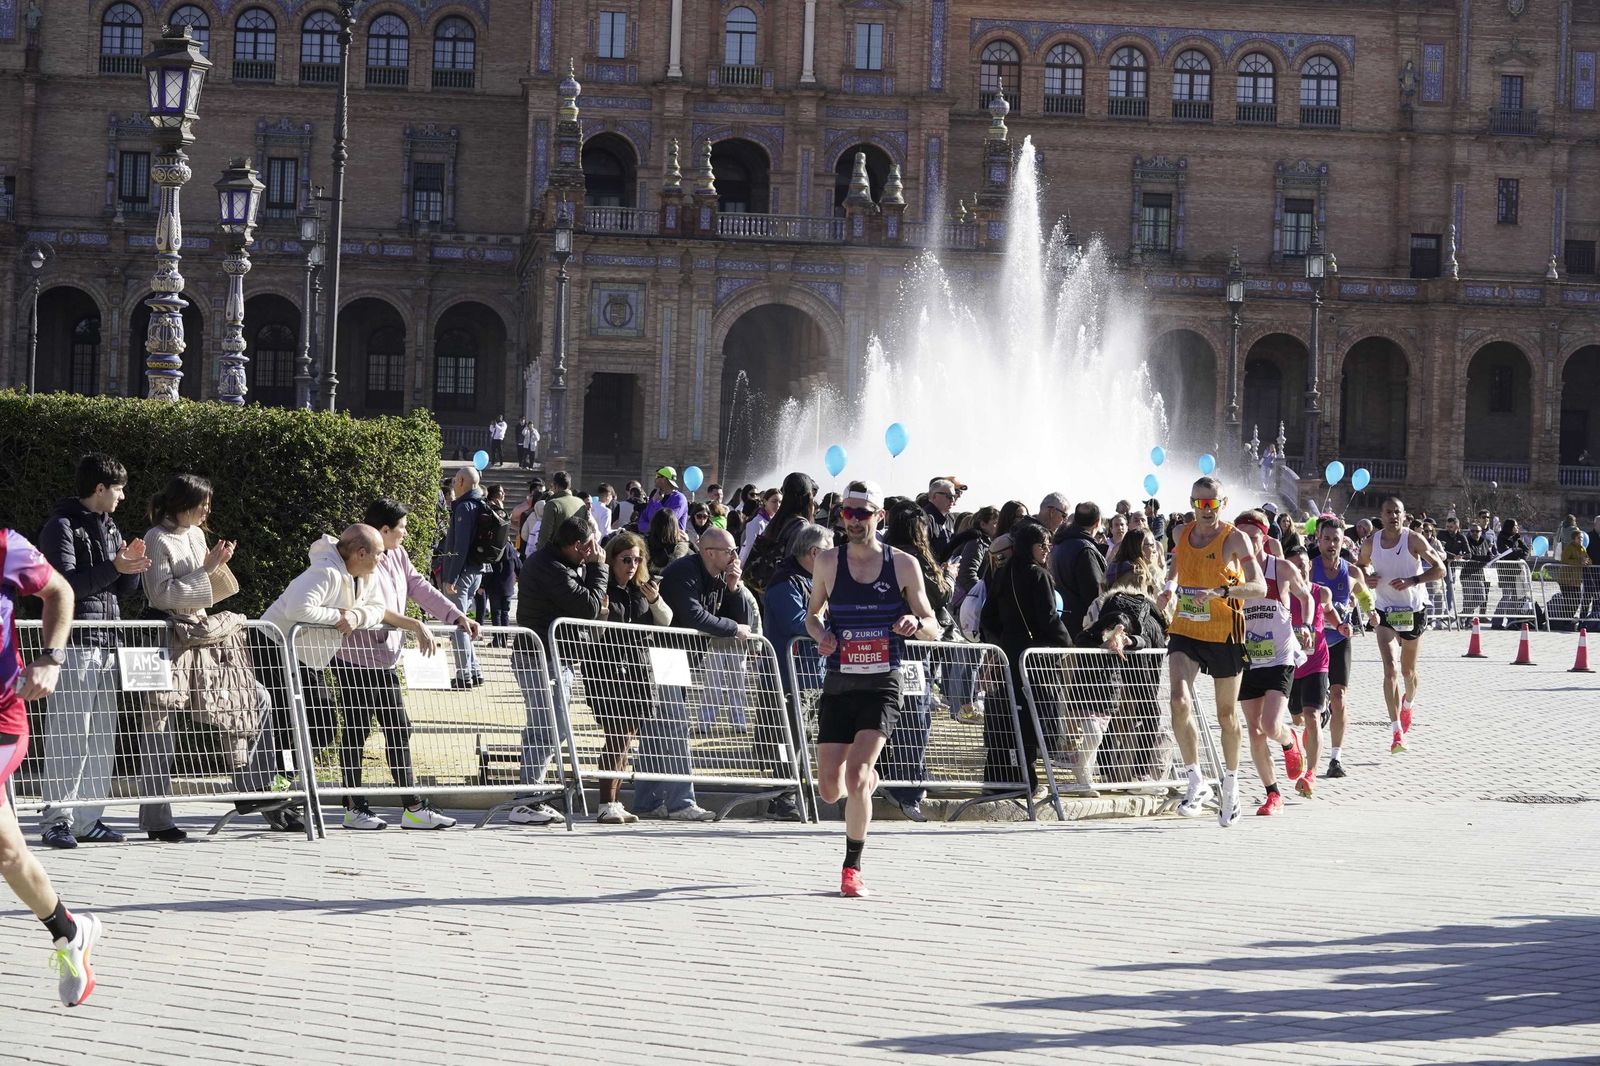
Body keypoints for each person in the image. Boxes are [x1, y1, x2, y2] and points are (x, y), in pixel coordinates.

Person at [805, 481, 941, 897]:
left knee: (858, 775)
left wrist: (915, 625)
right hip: (840, 681)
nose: (854, 520)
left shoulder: (903, 565)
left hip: (883, 682)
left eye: (863, 513)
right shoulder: (828, 561)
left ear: (879, 516)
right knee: (831, 789)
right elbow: (812, 616)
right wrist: (820, 636)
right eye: (848, 512)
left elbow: (934, 626)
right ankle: (866, 784)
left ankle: (852, 868)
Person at [0, 527, 103, 1006]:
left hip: (2, 718)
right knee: (9, 853)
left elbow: (58, 590)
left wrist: (51, 657)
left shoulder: (4, 545)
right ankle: (69, 931)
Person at [334, 499, 478, 830]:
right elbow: (373, 607)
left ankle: (409, 805)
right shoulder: (356, 557)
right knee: (360, 730)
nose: (406, 533)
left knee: (397, 728)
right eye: (401, 528)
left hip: (384, 658)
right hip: (356, 659)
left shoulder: (397, 554)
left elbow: (418, 586)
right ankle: (357, 805)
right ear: (383, 531)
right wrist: (414, 625)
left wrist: (455, 615)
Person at [36, 454, 150, 849]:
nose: (122, 496)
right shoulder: (61, 527)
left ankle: (89, 819)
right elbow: (63, 588)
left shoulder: (111, 525)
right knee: (69, 732)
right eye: (118, 489)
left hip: (108, 640)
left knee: (102, 734)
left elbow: (120, 590)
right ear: (99, 488)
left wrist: (130, 569)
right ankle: (57, 820)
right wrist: (116, 565)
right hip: (76, 642)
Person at [141, 473, 250, 840]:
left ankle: (256, 789)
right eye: (201, 503)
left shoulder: (197, 535)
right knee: (158, 723)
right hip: (160, 637)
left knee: (245, 700)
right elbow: (160, 595)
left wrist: (217, 567)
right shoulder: (157, 538)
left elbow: (210, 594)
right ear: (181, 503)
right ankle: (157, 820)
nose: (207, 510)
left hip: (197, 635)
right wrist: (206, 569)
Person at [1155, 475, 1268, 827]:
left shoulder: (1235, 538)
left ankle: (1231, 784)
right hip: (1187, 627)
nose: (1205, 510)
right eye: (1199, 503)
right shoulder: (1179, 534)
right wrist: (1169, 588)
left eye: (1211, 503)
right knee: (1177, 700)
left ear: (1222, 503)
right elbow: (1176, 568)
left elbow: (1259, 587)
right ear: (1191, 503)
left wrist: (1221, 592)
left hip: (1224, 631)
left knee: (1225, 716)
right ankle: (1195, 780)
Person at [652, 527, 756, 821]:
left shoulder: (721, 575)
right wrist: (734, 628)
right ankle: (680, 802)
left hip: (683, 657)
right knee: (674, 728)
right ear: (709, 553)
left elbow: (741, 621)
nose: (735, 556)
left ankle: (648, 800)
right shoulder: (684, 571)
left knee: (660, 731)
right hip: (665, 653)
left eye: (735, 550)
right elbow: (694, 615)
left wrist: (734, 588)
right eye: (729, 551)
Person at [515, 513, 605, 825]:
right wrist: (597, 567)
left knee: (555, 728)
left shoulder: (560, 563)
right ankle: (526, 799)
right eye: (589, 547)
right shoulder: (551, 566)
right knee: (546, 727)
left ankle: (532, 795)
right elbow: (589, 607)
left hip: (557, 657)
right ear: (578, 545)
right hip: (540, 657)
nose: (593, 551)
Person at [979, 520, 1071, 796]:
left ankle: (999, 779)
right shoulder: (1038, 575)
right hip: (1035, 659)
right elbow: (1048, 617)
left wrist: (1001, 643)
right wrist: (1065, 643)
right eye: (1042, 545)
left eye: (1048, 545)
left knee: (1007, 717)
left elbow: (988, 617)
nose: (1047, 550)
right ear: (1029, 547)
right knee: (1033, 718)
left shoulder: (1004, 572)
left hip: (1009, 653)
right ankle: (1025, 781)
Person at [1077, 529, 1174, 792]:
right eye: (1149, 545)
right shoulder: (1138, 572)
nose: (1153, 549)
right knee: (1141, 710)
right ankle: (1137, 774)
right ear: (1138, 547)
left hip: (1125, 638)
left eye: (1154, 545)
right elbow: (1133, 613)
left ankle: (1112, 771)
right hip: (1133, 642)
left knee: (1118, 709)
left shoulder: (1116, 566)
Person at [589, 532, 674, 825]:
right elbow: (592, 634)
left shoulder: (643, 589)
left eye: (637, 559)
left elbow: (666, 621)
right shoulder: (602, 588)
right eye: (626, 559)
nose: (632, 565)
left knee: (627, 738)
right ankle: (605, 802)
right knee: (617, 735)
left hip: (638, 668)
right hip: (607, 669)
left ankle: (615, 800)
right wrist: (600, 614)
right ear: (612, 560)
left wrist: (656, 601)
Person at [1231, 511, 1310, 816]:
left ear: (1264, 537)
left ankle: (1290, 741)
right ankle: (1272, 794)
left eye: (1253, 537)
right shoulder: (1232, 572)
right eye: (1241, 538)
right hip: (1248, 658)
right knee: (1254, 732)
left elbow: (1307, 596)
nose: (1247, 543)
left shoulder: (1281, 568)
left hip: (1279, 655)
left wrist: (1306, 626)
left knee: (1270, 724)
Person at [880, 502, 953, 822]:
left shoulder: (880, 555)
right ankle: (909, 785)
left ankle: (893, 775)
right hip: (911, 650)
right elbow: (938, 594)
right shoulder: (915, 559)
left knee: (885, 715)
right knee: (915, 717)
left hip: (882, 646)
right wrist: (946, 577)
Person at [1360, 497, 1447, 754]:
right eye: (1388, 512)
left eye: (1397, 512)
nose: (1393, 517)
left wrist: (1413, 580)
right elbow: (1359, 568)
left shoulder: (1413, 540)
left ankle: (1408, 704)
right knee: (1390, 670)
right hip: (1385, 610)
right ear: (1381, 515)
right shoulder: (1370, 543)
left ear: (1404, 515)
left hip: (1413, 610)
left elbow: (1440, 569)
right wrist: (1368, 577)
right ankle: (1397, 732)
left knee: (1408, 672)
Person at [760, 523, 830, 822]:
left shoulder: (813, 580)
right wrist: (829, 623)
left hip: (811, 674)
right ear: (814, 553)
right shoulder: (785, 580)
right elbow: (797, 622)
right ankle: (782, 795)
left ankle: (797, 790)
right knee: (786, 738)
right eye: (830, 551)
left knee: (804, 737)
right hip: (788, 675)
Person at [1311, 517, 1371, 779]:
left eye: (1336, 539)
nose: (1331, 544)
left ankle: (1335, 758)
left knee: (1339, 697)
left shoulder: (1351, 571)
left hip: (1339, 641)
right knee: (1300, 712)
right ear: (1318, 540)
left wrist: (1373, 614)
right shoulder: (1308, 569)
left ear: (1342, 541)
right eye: (1327, 539)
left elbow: (1366, 595)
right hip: (1312, 642)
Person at [1286, 544, 1341, 798]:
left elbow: (1329, 612)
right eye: (1295, 565)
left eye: (1304, 564)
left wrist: (1340, 627)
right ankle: (1296, 741)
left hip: (1317, 662)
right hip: (1290, 664)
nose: (1301, 569)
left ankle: (1311, 774)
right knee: (1297, 717)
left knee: (1312, 717)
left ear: (1310, 566)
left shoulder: (1322, 593)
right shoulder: (1283, 596)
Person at [440, 466, 501, 688]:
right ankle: (474, 671)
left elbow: (460, 546)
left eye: (456, 480)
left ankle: (464, 674)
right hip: (476, 571)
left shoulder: (465, 507)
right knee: (465, 623)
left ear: (463, 481)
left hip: (462, 572)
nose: (454, 484)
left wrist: (451, 576)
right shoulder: (480, 504)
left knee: (458, 624)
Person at [1048, 502, 1107, 640]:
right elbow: (1094, 595)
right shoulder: (1085, 550)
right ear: (1098, 522)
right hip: (1080, 629)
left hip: (1063, 623)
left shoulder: (1060, 544)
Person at [533, 470, 586, 553]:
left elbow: (544, 536)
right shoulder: (581, 503)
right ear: (569, 485)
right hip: (577, 554)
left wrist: (539, 554)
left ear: (555, 485)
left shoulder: (553, 504)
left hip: (556, 555)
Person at [636, 466, 688, 532]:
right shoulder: (655, 495)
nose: (655, 479)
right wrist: (654, 529)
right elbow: (642, 522)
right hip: (653, 540)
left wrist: (657, 502)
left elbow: (667, 522)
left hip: (672, 541)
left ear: (664, 479)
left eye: (657, 476)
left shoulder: (679, 499)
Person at [739, 488, 783, 564]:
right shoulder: (757, 522)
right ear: (765, 501)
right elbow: (748, 548)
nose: (778, 505)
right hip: (753, 565)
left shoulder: (775, 521)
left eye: (780, 502)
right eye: (774, 501)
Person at [646, 507, 691, 577]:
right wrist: (688, 542)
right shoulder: (682, 549)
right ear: (675, 526)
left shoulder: (644, 544)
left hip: (647, 584)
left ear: (653, 524)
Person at [922, 479, 958, 564]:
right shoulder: (925, 519)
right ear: (934, 496)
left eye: (954, 496)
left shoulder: (950, 519)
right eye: (949, 496)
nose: (953, 500)